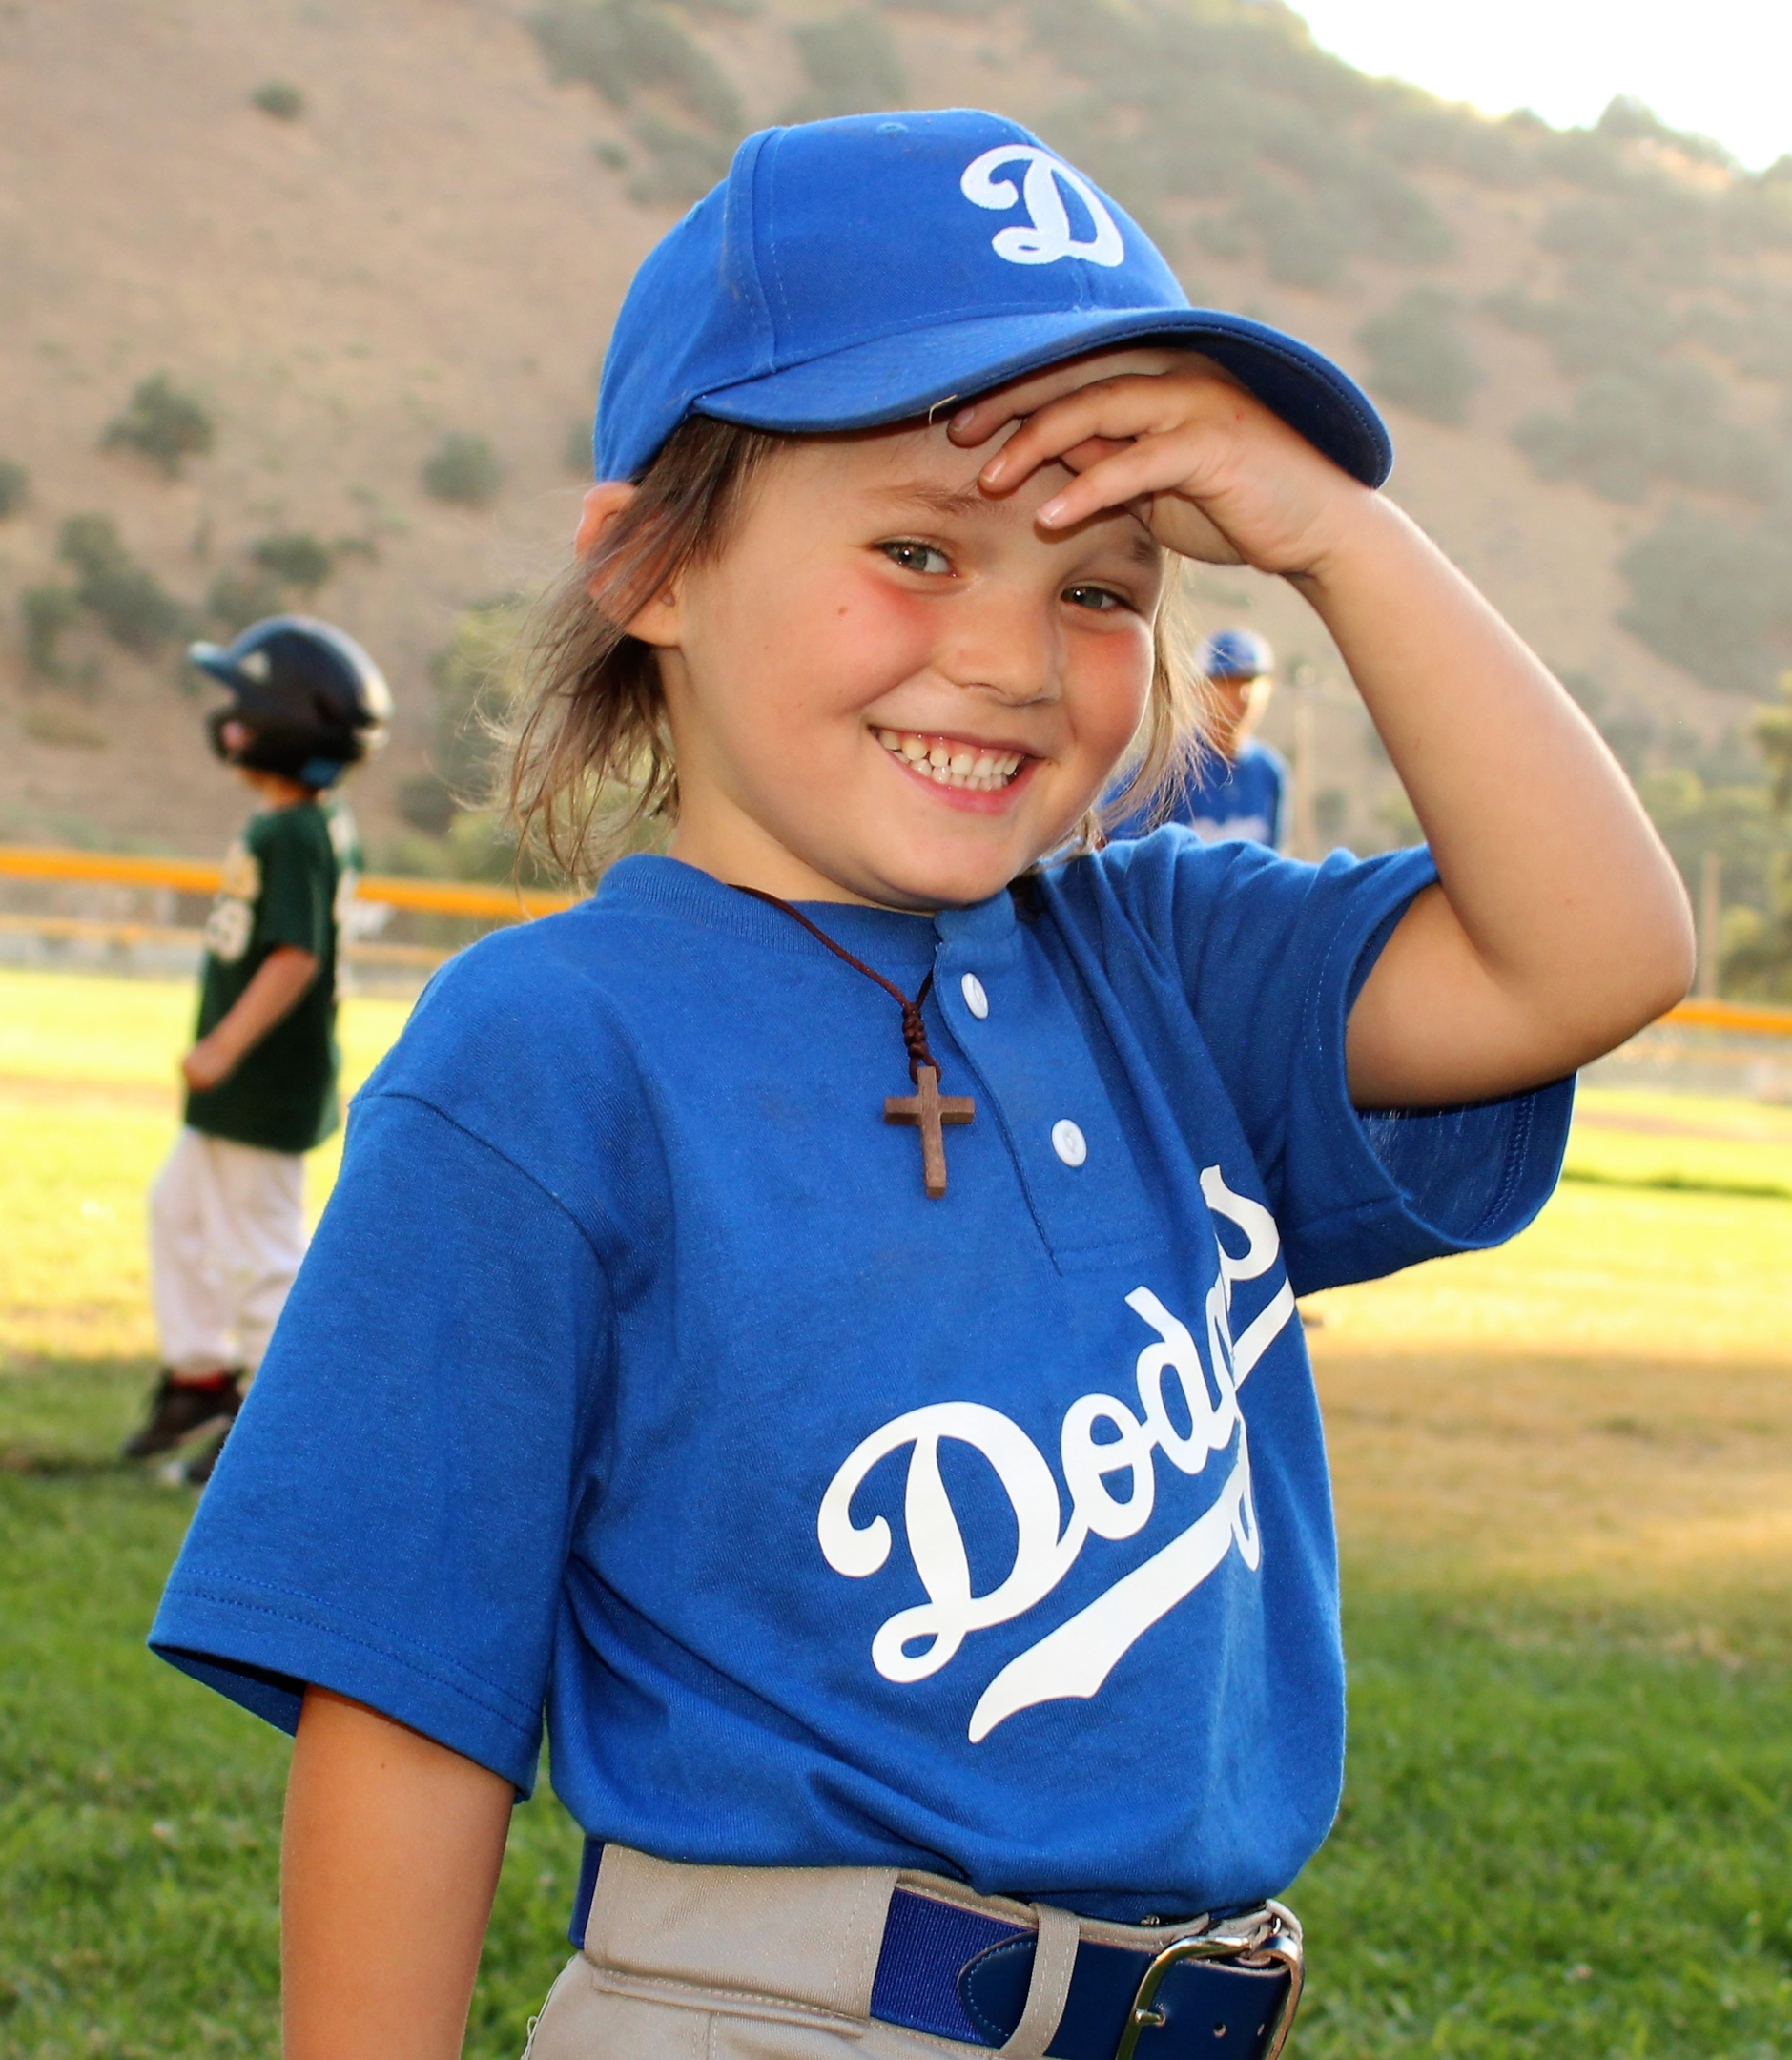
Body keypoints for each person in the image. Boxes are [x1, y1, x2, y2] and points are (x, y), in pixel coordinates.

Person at [148, 111, 1692, 2060]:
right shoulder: (549, 1050)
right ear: (648, 566)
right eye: (914, 546)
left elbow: (1600, 954)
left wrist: (1336, 534)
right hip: (764, 2010)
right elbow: (402, 1709)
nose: (1011, 658)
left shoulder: (1169, 965)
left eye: (1102, 585)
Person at [122, 616, 389, 1485]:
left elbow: (295, 955)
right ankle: (201, 1379)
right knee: (178, 1211)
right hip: (243, 1091)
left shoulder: (296, 833)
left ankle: (276, 1421)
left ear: (283, 725)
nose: (227, 721)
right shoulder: (301, 823)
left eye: (243, 703)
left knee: (265, 1254)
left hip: (261, 1086)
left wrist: (224, 1047)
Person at [1113, 628, 1290, 850]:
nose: (1243, 693)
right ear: (1199, 688)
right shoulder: (1167, 768)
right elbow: (1121, 857)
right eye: (1227, 681)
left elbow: (1269, 866)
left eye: (1251, 681)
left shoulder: (1268, 771)